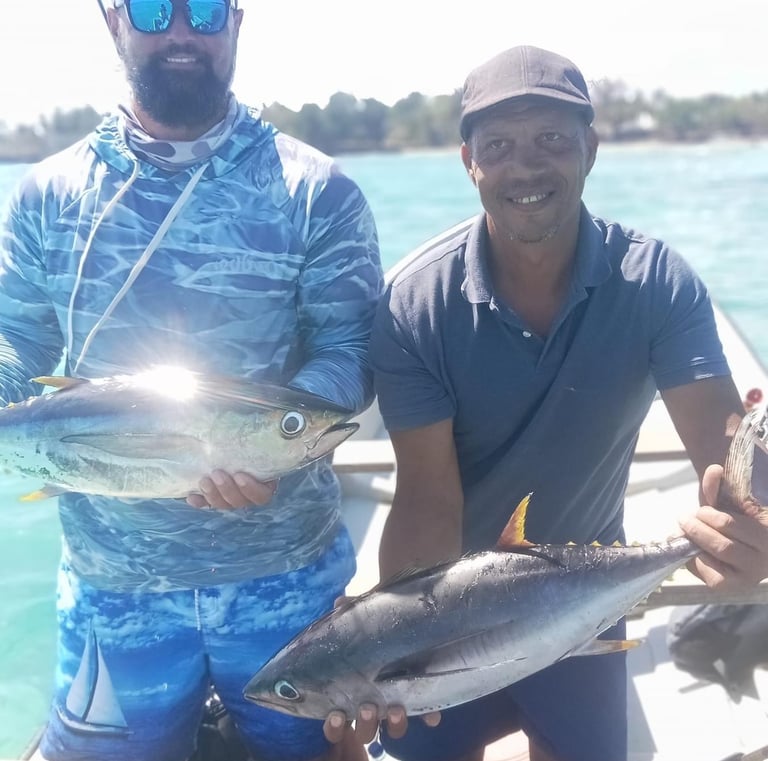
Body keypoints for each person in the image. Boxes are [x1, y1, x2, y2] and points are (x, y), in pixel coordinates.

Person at [357, 45, 768, 761]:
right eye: (500, 146)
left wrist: (750, 529)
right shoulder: (416, 305)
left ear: (591, 149)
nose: (527, 166)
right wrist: (388, 641)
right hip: (452, 612)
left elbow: (727, 457)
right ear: (469, 162)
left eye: (552, 139)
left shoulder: (657, 282)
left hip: (587, 604)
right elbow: (427, 501)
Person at [0, 1, 383, 760]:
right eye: (153, 8)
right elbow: (16, 344)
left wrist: (282, 443)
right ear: (114, 23)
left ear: (237, 24)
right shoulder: (46, 196)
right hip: (114, 590)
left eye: (205, 10)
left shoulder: (318, 191)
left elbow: (352, 346)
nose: (181, 32)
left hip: (287, 585)